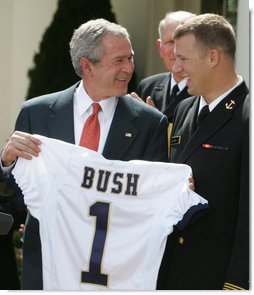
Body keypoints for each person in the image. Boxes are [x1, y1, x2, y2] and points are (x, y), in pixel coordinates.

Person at [0, 18, 168, 289]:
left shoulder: (150, 123)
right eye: (119, 60)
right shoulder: (36, 113)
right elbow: (19, 195)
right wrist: (7, 163)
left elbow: (151, 203)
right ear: (87, 66)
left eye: (130, 58)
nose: (129, 68)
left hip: (114, 271)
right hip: (46, 263)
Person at [157, 13, 249, 290]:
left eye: (183, 59)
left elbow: (249, 216)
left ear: (212, 57)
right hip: (173, 271)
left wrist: (237, 284)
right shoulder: (184, 109)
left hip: (216, 277)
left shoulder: (247, 116)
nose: (176, 68)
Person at [131, 11, 195, 122]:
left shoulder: (206, 91)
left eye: (182, 41)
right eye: (170, 42)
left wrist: (156, 122)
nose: (176, 51)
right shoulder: (147, 87)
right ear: (160, 47)